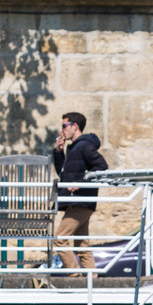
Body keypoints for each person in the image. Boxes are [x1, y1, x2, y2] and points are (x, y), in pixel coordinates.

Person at [51, 112, 107, 269]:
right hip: (76, 201)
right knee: (82, 246)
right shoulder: (73, 148)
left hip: (80, 201)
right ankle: (92, 280)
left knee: (59, 239)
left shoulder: (84, 146)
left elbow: (101, 167)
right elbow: (63, 173)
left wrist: (80, 183)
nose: (62, 130)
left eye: (64, 126)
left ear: (74, 126)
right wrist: (58, 152)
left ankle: (74, 276)